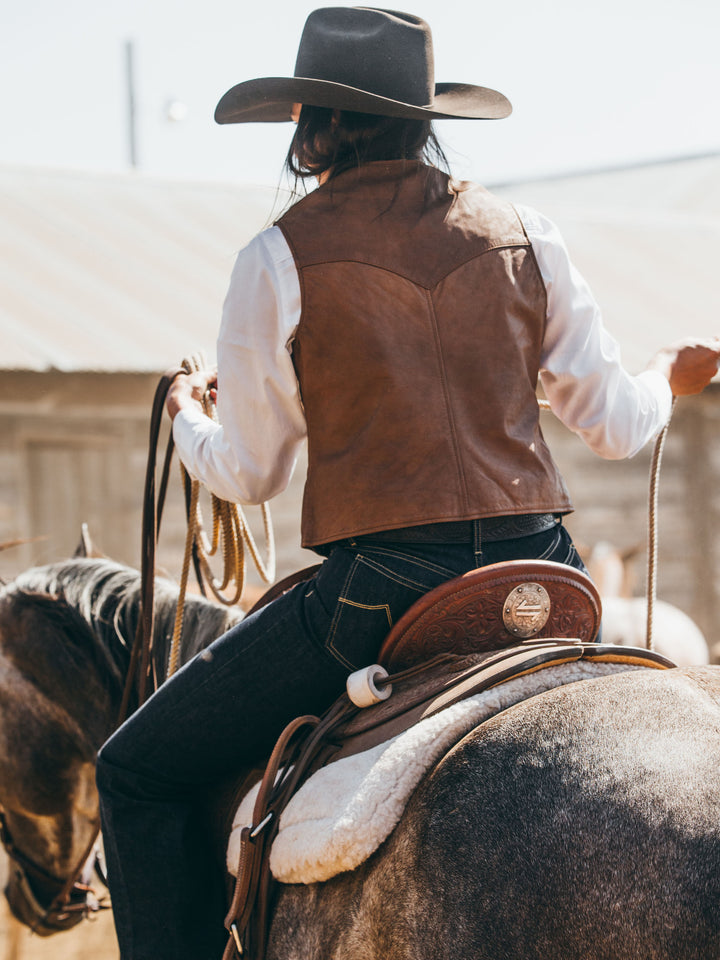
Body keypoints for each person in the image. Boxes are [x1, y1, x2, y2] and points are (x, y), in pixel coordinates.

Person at [96, 8, 720, 959]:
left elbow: (249, 471)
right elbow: (618, 425)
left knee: (135, 771)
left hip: (375, 600)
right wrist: (668, 376)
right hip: (545, 590)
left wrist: (187, 415)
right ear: (425, 117)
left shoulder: (276, 257)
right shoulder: (527, 235)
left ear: (310, 127)